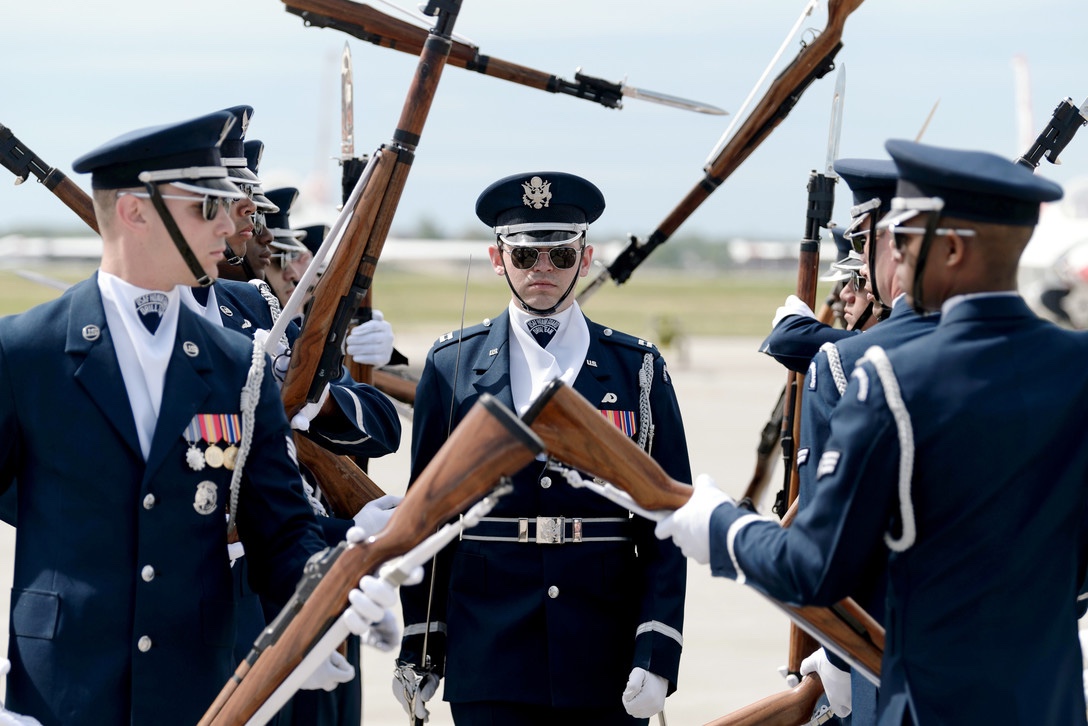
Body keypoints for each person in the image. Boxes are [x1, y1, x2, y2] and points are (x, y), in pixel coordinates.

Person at [655, 139, 1087, 724]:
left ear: (953, 249)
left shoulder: (890, 377)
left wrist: (719, 527)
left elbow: (814, 566)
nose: (895, 264)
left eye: (904, 242)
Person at [0, 111, 397, 725]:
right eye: (207, 207)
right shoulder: (25, 352)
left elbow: (281, 532)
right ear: (135, 210)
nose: (232, 224)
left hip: (197, 695)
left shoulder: (241, 364)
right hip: (61, 696)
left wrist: (320, 608)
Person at [395, 171, 691, 725]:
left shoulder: (638, 369)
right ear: (496, 258)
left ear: (585, 257)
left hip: (603, 648)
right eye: (526, 255)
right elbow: (429, 519)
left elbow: (668, 521)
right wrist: (421, 645)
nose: (542, 271)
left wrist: (657, 649)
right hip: (488, 647)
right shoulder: (451, 365)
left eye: (559, 255)